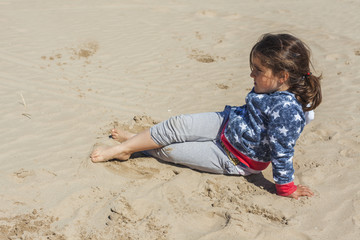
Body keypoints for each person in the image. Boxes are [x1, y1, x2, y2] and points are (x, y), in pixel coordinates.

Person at [90, 33, 322, 199]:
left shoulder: (288, 112)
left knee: (171, 151)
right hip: (227, 123)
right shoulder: (272, 87)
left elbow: (283, 152)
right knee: (176, 125)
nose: (251, 73)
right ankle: (126, 147)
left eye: (258, 70)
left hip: (234, 157)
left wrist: (285, 188)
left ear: (282, 76)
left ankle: (136, 146)